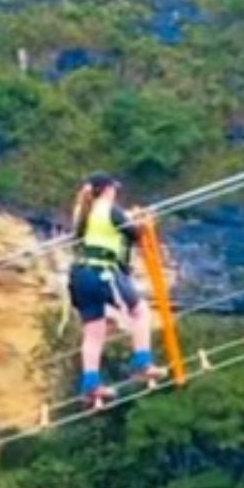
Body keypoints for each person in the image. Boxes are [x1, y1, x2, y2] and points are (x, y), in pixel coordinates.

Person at [67, 173, 164, 407]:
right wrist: (145, 220)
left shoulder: (82, 211)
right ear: (109, 189)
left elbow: (105, 231)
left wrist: (130, 218)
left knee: (93, 332)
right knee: (140, 311)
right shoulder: (109, 209)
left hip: (80, 275)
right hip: (103, 271)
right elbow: (134, 234)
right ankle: (143, 362)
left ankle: (91, 384)